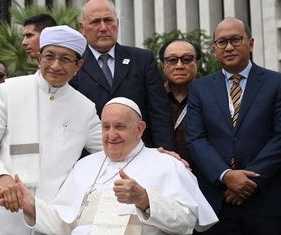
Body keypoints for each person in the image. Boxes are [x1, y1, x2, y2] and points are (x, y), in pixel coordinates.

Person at [0, 97, 218, 234]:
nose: (111, 135)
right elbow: (63, 225)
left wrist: (144, 199)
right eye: (106, 127)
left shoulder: (167, 164)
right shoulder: (84, 166)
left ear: (140, 129)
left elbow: (186, 224)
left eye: (120, 127)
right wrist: (30, 205)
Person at [0, 25, 103, 235]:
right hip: (6, 212)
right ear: (39, 57)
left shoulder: (85, 108)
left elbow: (109, 151)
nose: (55, 65)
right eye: (49, 56)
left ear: (78, 65)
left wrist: (155, 157)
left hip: (53, 218)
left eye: (66, 59)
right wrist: (0, 177)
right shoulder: (8, 90)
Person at [185, 17, 281, 234]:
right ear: (214, 49)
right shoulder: (200, 88)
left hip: (266, 202)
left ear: (251, 43)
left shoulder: (276, 83)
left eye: (235, 39)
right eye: (221, 42)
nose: (228, 47)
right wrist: (226, 175)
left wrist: (247, 182)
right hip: (218, 203)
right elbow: (196, 139)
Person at [69, 0, 176, 151]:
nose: (103, 28)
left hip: (140, 155)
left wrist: (166, 155)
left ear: (117, 23)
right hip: (90, 159)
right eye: (95, 22)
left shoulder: (142, 59)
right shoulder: (73, 65)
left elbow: (159, 113)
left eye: (108, 20)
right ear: (83, 28)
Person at [158, 39, 201, 173]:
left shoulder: (209, 97)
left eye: (187, 59)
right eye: (172, 60)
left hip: (204, 177)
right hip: (163, 176)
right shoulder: (153, 99)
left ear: (197, 64)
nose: (179, 66)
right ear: (163, 66)